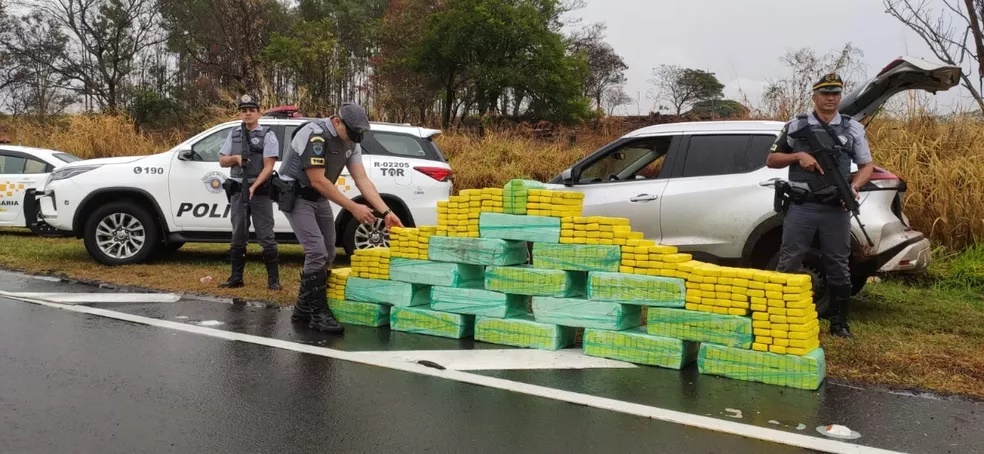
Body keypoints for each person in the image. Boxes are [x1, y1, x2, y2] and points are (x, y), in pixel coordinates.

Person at [276, 102, 403, 333]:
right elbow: (317, 180)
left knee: (329, 251)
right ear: (337, 121)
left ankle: (303, 309)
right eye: (351, 133)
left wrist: (387, 212)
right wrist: (354, 207)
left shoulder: (351, 142)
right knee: (316, 251)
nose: (353, 139)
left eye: (358, 135)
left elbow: (362, 180)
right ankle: (318, 314)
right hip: (297, 194)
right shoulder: (314, 134)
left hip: (319, 196)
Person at [766, 73, 874, 339]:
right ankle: (780, 317)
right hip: (803, 205)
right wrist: (798, 155)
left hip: (835, 207)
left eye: (836, 93)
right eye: (825, 93)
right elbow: (772, 159)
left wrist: (854, 186)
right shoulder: (796, 125)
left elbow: (866, 166)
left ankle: (839, 323)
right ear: (814, 97)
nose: (831, 98)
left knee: (838, 263)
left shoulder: (852, 128)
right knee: (789, 258)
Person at [217, 94, 281, 290]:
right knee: (238, 234)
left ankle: (273, 281)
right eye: (244, 110)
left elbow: (269, 166)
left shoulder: (268, 134)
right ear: (240, 113)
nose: (248, 114)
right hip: (238, 190)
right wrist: (236, 158)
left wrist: (253, 187)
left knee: (266, 235)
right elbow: (222, 160)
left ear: (258, 113)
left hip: (259, 190)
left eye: (251, 110)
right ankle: (236, 278)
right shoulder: (234, 134)